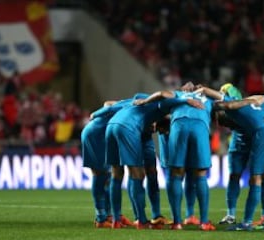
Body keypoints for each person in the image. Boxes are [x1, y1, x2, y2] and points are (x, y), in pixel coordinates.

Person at [106, 93, 203, 229]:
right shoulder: (162, 104)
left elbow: (108, 104)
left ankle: (116, 219)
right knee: (137, 174)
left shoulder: (131, 103)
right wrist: (187, 100)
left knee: (117, 174)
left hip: (111, 126)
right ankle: (141, 220)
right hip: (129, 128)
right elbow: (163, 95)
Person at [199, 85, 264, 230]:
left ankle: (248, 222)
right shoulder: (255, 100)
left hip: (263, 135)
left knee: (257, 179)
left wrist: (207, 99)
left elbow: (224, 102)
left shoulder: (234, 105)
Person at [81, 100, 133, 228]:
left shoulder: (132, 103)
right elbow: (108, 107)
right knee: (100, 174)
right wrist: (95, 114)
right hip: (95, 134)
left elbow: (108, 103)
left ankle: (111, 215)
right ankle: (100, 218)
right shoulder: (134, 104)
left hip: (104, 135)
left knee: (109, 175)